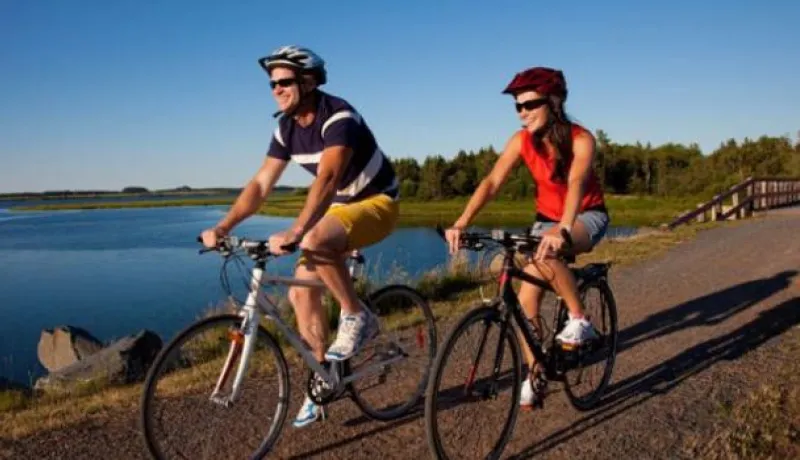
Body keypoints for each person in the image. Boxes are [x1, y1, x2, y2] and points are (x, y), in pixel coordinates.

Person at [200, 45, 400, 427]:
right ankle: (323, 378)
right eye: (272, 84)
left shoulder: (338, 116)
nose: (276, 89)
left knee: (313, 240)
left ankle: (358, 315)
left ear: (308, 82)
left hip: (377, 203)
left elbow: (328, 178)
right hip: (338, 211)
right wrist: (224, 226)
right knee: (300, 293)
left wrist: (297, 230)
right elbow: (262, 184)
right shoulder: (285, 128)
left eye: (284, 81)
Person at [443, 66, 608, 410]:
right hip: (546, 220)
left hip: (584, 215)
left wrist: (563, 227)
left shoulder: (582, 139)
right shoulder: (521, 141)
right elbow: (492, 182)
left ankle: (580, 319)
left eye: (530, 104)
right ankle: (536, 373)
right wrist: (461, 222)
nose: (522, 112)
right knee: (526, 298)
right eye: (518, 106)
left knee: (548, 253)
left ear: (555, 101)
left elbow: (576, 182)